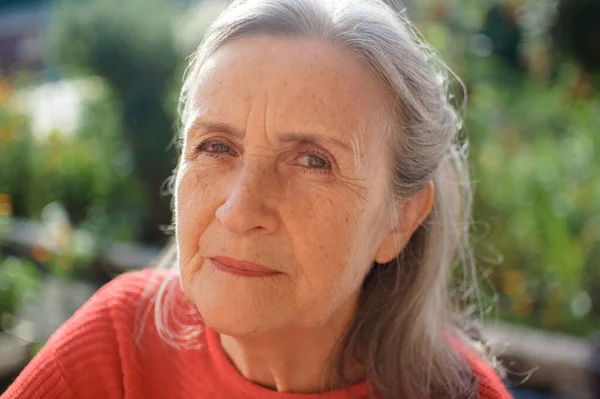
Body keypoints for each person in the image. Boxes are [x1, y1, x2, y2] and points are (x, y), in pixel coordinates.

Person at [2, 0, 513, 397]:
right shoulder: (116, 348)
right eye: (216, 147)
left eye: (313, 161)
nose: (240, 211)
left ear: (400, 219)